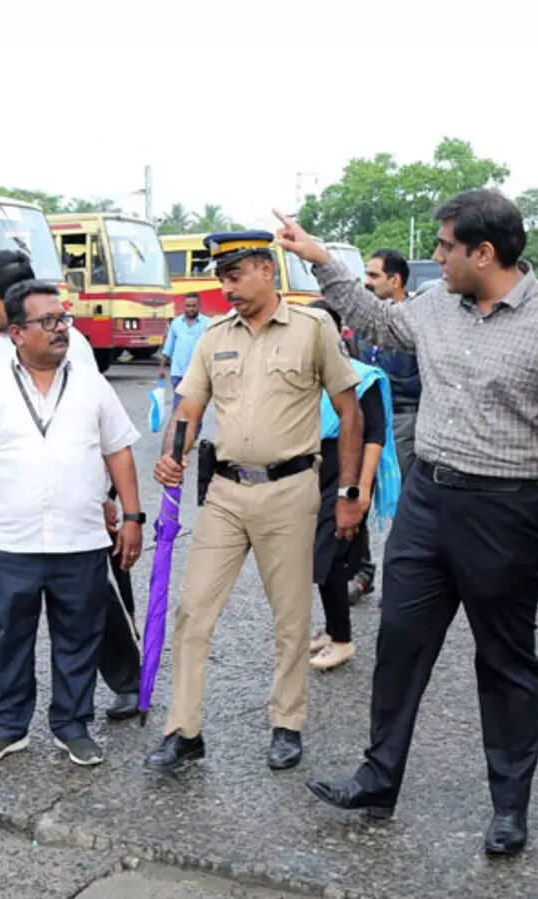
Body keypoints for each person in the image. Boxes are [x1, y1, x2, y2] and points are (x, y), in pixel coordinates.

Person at [283, 189, 538, 857]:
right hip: (429, 505)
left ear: (483, 253)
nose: (435, 257)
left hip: (509, 512)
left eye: (445, 247)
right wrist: (321, 260)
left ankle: (509, 807)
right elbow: (376, 319)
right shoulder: (437, 306)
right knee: (399, 644)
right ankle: (377, 779)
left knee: (505, 661)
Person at [143, 230, 363, 774]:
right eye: (221, 278)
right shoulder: (214, 335)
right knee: (193, 610)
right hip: (224, 493)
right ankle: (183, 731)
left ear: (266, 269)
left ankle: (286, 724)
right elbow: (189, 406)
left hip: (290, 491)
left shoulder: (314, 328)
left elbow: (351, 411)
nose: (226, 288)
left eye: (234, 276)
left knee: (290, 617)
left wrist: (349, 492)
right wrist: (174, 453)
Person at [0, 250, 142, 721]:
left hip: (67, 498)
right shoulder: (6, 345)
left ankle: (126, 681)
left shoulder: (63, 347)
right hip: (14, 491)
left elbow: (98, 431)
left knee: (88, 591)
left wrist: (104, 498)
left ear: (9, 301)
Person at [307, 300, 400, 671]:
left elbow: (374, 436)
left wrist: (360, 490)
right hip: (311, 477)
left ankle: (342, 639)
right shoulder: (303, 376)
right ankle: (332, 629)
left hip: (347, 479)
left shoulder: (363, 377)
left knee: (326, 560)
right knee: (325, 560)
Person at [350, 249, 421, 479]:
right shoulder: (366, 321)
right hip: (367, 418)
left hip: (403, 421)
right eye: (366, 275)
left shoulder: (416, 320)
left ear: (396, 280)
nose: (367, 282)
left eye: (374, 276)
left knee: (397, 490)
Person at [159, 292, 211, 408]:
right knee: (178, 407)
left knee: (195, 408)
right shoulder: (176, 323)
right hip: (178, 372)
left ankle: (194, 427)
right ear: (184, 306)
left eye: (194, 306)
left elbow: (212, 348)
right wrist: (162, 368)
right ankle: (178, 427)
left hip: (198, 374)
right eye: (188, 306)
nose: (191, 309)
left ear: (199, 306)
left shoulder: (207, 323)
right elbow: (168, 348)